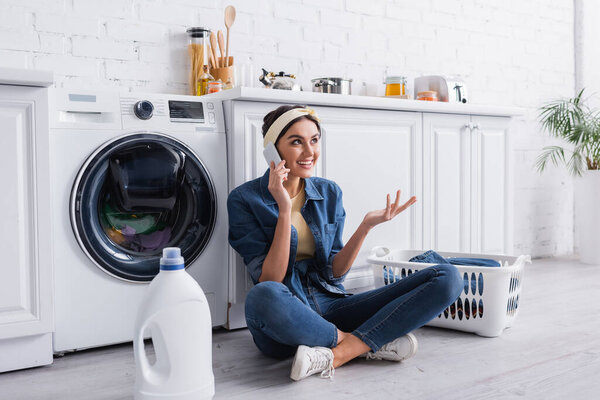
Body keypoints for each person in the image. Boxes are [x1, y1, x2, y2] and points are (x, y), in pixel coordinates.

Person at [227, 104, 463, 381]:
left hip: (333, 306)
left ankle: (340, 352)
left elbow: (335, 272)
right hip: (286, 319)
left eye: (314, 140)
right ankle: (364, 342)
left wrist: (366, 226)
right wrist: (282, 208)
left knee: (447, 276)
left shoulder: (328, 192)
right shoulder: (244, 199)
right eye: (296, 142)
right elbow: (271, 279)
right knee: (262, 295)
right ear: (272, 149)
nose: (309, 152)